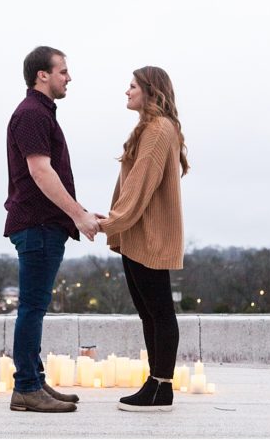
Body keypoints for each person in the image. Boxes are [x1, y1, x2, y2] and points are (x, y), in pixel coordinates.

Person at [3, 46, 101, 413]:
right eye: (63, 70)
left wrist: (80, 213)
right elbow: (41, 171)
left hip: (43, 226)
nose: (68, 77)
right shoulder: (31, 114)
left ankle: (34, 380)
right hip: (38, 225)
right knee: (32, 308)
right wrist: (78, 215)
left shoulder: (39, 113)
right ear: (42, 75)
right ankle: (26, 387)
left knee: (36, 306)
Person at [96, 66, 189, 412]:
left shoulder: (158, 129)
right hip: (138, 233)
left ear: (150, 90)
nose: (127, 91)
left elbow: (140, 185)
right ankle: (155, 382)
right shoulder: (149, 128)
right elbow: (132, 183)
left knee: (159, 311)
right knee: (149, 312)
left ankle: (161, 387)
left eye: (132, 85)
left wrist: (110, 223)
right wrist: (116, 222)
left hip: (149, 235)